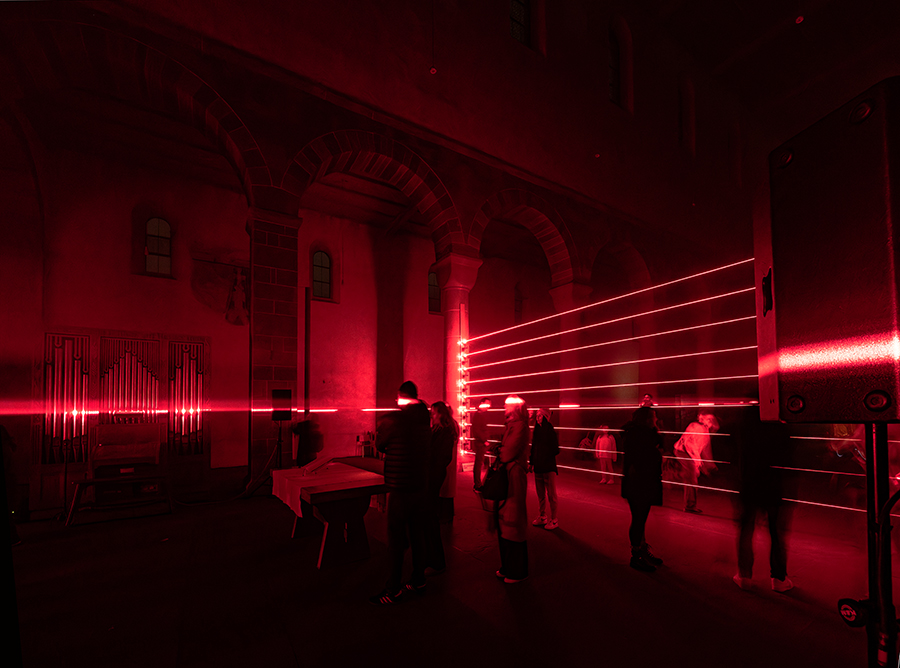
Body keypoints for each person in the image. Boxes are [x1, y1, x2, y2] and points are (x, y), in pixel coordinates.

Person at [369, 381, 431, 605]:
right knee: (418, 535)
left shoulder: (393, 420)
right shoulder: (425, 418)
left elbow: (380, 445)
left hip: (400, 486)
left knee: (395, 539)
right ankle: (418, 579)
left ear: (401, 397)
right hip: (419, 485)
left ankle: (393, 588)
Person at [733, 407, 793, 593]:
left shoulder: (743, 430)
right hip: (774, 487)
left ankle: (744, 576)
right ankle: (778, 579)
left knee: (746, 531)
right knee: (777, 534)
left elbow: (734, 456)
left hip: (749, 486)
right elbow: (789, 456)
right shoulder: (779, 429)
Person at [621, 406, 665, 572]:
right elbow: (643, 459)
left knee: (641, 519)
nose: (656, 419)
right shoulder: (638, 436)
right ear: (646, 419)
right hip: (638, 483)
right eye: (654, 417)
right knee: (638, 519)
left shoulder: (646, 434)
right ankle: (636, 556)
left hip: (642, 482)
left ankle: (642, 549)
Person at [496, 395, 531, 583]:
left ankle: (518, 570)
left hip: (515, 476)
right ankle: (508, 565)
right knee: (506, 520)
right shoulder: (512, 425)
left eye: (507, 404)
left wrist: (501, 451)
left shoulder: (519, 426)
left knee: (514, 519)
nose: (503, 406)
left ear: (515, 408)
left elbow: (508, 452)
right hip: (510, 475)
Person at [424, 401, 457, 575]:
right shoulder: (438, 431)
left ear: (441, 414)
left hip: (434, 477)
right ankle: (434, 558)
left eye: (435, 412)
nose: (432, 415)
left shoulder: (444, 432)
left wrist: (432, 470)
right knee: (430, 517)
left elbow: (442, 457)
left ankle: (435, 559)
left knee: (430, 516)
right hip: (433, 475)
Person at [674, 411, 719, 513]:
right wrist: (697, 460)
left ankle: (690, 504)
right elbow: (690, 444)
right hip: (683, 451)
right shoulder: (696, 427)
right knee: (692, 477)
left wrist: (709, 465)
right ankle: (689, 506)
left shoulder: (705, 431)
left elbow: (704, 450)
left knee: (693, 475)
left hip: (690, 453)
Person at [530, 408, 560, 530]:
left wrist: (544, 456)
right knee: (540, 493)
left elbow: (556, 450)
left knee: (551, 494)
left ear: (546, 417)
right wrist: (531, 462)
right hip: (538, 466)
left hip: (548, 467)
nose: (538, 418)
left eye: (540, 416)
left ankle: (554, 519)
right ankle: (543, 516)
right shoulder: (536, 431)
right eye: (537, 416)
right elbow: (533, 448)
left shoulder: (550, 431)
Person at [471, 397, 492, 489]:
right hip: (481, 443)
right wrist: (485, 440)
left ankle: (478, 483)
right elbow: (477, 430)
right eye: (487, 404)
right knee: (479, 463)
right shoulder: (479, 415)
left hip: (482, 442)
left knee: (480, 463)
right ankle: (477, 484)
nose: (488, 407)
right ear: (482, 403)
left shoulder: (479, 414)